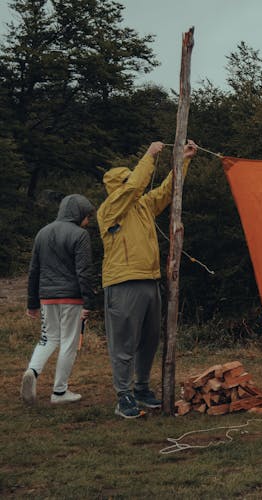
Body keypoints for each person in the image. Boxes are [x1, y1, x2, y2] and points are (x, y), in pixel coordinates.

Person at [97, 140, 198, 419]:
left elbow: (167, 191)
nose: (135, 182)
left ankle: (141, 387)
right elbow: (134, 187)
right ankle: (124, 395)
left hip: (149, 280)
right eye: (128, 179)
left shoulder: (141, 206)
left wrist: (183, 160)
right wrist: (149, 155)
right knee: (124, 342)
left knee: (149, 339)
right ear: (117, 186)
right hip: (122, 283)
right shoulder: (110, 209)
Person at [21, 194, 96, 405]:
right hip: (72, 297)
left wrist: (32, 303)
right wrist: (88, 302)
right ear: (78, 214)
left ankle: (32, 371)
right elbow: (84, 272)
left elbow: (34, 270)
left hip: (46, 297)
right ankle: (59, 392)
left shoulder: (42, 233)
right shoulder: (80, 235)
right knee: (69, 343)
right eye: (86, 216)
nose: (88, 221)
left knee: (48, 338)